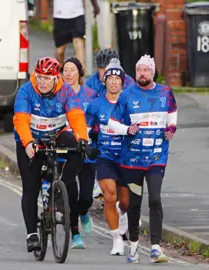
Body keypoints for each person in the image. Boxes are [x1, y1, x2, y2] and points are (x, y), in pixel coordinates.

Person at [13, 57, 98, 252]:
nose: (42, 82)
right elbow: (21, 121)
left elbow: (76, 116)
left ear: (56, 78)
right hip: (31, 139)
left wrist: (83, 139)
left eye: (47, 78)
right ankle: (32, 234)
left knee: (77, 148)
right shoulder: (26, 91)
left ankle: (59, 187)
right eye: (39, 77)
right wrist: (27, 143)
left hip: (55, 134)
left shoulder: (65, 91)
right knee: (31, 187)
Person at [108, 55, 177, 263]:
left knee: (155, 198)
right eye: (139, 70)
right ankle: (135, 246)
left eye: (146, 70)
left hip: (157, 156)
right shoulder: (127, 95)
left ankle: (156, 247)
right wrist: (127, 129)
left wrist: (171, 127)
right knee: (134, 204)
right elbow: (112, 123)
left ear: (153, 72)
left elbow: (172, 112)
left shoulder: (165, 92)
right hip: (132, 159)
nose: (142, 74)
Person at [85, 58, 129, 256]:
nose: (113, 82)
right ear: (105, 81)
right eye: (109, 78)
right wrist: (86, 144)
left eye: (116, 78)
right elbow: (85, 129)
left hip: (127, 157)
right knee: (109, 196)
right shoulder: (95, 105)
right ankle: (116, 238)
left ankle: (123, 211)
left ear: (122, 82)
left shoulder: (130, 102)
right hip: (105, 156)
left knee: (126, 202)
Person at [60, 57, 98, 248]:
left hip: (85, 151)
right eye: (65, 70)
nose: (68, 74)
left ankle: (84, 212)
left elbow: (98, 120)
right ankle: (75, 235)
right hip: (64, 151)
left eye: (72, 70)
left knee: (86, 197)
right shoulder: (57, 94)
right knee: (71, 194)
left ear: (79, 73)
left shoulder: (90, 95)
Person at [53, 0, 99, 68]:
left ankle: (81, 75)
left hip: (77, 15)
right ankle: (60, 72)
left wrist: (95, 6)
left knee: (79, 44)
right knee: (60, 51)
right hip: (59, 15)